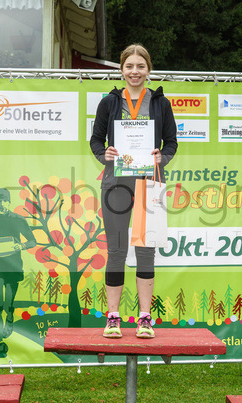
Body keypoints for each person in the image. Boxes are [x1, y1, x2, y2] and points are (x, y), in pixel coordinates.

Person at [89, 44, 178, 339]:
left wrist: (162, 157)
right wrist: (104, 154)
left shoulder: (161, 103)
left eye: (140, 66)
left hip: (149, 182)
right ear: (121, 69)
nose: (135, 71)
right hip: (116, 183)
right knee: (116, 250)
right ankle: (113, 318)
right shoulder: (109, 102)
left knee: (145, 250)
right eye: (129, 66)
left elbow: (171, 142)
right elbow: (96, 140)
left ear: (148, 70)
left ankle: (144, 319)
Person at [0, 188, 36, 358]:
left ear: (9, 202)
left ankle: (10, 316)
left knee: (8, 304)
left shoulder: (18, 220)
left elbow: (32, 241)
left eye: (4, 200)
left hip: (13, 267)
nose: (1, 204)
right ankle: (0, 344)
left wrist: (21, 246)